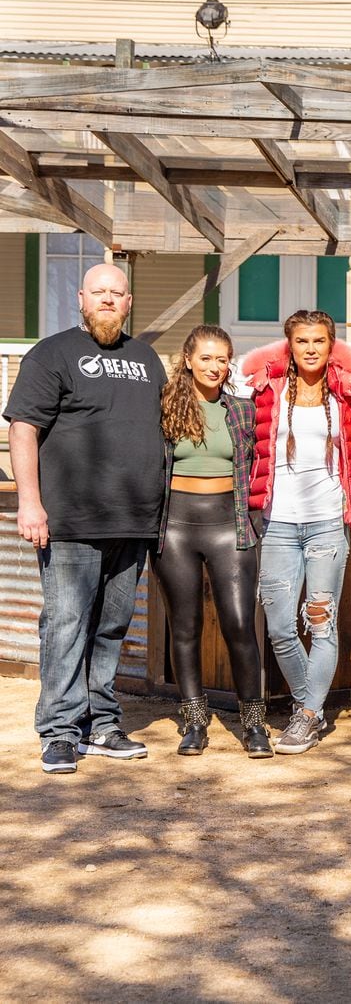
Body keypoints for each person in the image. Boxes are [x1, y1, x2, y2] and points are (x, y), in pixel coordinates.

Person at [6, 263, 166, 774]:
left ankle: (102, 724)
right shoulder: (51, 354)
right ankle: (59, 730)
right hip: (71, 521)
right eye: (98, 292)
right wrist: (30, 502)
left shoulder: (146, 359)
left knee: (112, 626)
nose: (107, 300)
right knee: (67, 624)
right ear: (80, 298)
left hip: (134, 519)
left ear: (129, 301)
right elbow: (24, 429)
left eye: (116, 293)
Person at [244, 310, 351, 756]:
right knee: (279, 626)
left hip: (327, 525)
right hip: (278, 523)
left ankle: (308, 717)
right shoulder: (268, 392)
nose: (311, 348)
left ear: (331, 346)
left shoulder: (346, 396)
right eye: (302, 341)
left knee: (322, 623)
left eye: (319, 341)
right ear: (288, 347)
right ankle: (307, 703)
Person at [156, 325, 264, 757]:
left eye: (223, 359)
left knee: (239, 624)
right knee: (185, 628)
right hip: (175, 528)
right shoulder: (163, 407)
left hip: (229, 527)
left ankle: (254, 724)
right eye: (206, 358)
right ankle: (195, 723)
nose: (216, 367)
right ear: (187, 360)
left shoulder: (242, 410)